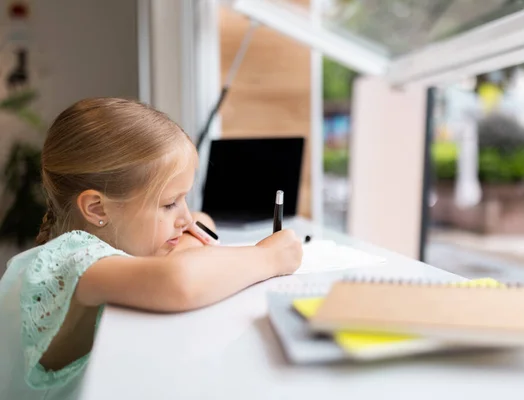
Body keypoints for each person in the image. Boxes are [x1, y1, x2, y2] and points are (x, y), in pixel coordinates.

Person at [0, 98, 303, 400]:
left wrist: (186, 232)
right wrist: (268, 257)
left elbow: (200, 221)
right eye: (170, 203)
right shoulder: (72, 259)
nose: (184, 217)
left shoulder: (110, 243)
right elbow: (177, 282)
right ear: (96, 208)